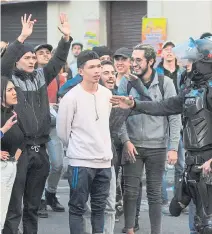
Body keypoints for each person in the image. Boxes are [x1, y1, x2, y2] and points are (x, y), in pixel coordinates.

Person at [111, 36, 212, 234]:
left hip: (208, 160)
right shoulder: (191, 88)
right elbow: (165, 106)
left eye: (193, 61)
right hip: (194, 162)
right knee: (189, 214)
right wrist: (135, 104)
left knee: (207, 221)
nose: (188, 65)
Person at [1, 13, 72, 234]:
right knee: (14, 209)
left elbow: (58, 61)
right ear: (17, 60)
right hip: (18, 152)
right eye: (28, 57)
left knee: (32, 207)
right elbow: (3, 64)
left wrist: (66, 38)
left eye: (34, 58)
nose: (33, 61)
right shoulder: (7, 78)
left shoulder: (41, 76)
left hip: (40, 151)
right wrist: (21, 38)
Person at [117, 43, 181, 234]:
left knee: (154, 194)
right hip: (133, 145)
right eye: (133, 59)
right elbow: (119, 115)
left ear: (151, 61)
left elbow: (174, 115)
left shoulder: (165, 83)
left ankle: (156, 231)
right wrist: (126, 141)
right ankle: (129, 229)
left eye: (138, 60)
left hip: (158, 147)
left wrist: (173, 147)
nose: (133, 64)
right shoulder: (125, 82)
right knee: (130, 192)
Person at [57, 50, 112, 234]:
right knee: (77, 209)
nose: (97, 70)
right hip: (80, 162)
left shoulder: (106, 94)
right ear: (81, 71)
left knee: (99, 209)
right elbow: (63, 132)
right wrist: (76, 148)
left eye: (99, 66)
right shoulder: (71, 97)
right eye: (92, 67)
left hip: (104, 162)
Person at [83, 60, 116, 234]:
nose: (110, 76)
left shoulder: (116, 98)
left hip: (109, 159)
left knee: (110, 205)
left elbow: (117, 129)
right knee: (89, 207)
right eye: (106, 72)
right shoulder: (82, 96)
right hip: (87, 160)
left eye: (113, 73)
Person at [156, 41, 185, 211]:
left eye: (171, 50)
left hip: (179, 120)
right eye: (166, 50)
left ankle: (179, 197)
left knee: (180, 163)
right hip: (162, 119)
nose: (169, 52)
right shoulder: (157, 74)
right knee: (162, 164)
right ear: (162, 55)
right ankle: (161, 199)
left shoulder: (182, 73)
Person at [0, 77, 24, 230]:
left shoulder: (13, 113)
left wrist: (17, 154)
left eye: (14, 89)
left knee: (4, 214)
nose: (15, 93)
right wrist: (3, 130)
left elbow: (23, 137)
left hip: (11, 166)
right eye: (9, 90)